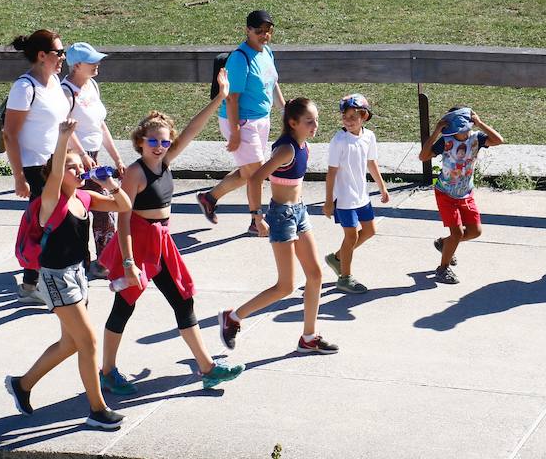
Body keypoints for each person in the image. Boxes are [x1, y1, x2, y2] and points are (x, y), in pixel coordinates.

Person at [98, 69, 244, 393]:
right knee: (124, 306)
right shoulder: (134, 174)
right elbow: (122, 218)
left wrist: (220, 98)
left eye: (165, 141)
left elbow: (192, 129)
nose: (161, 146)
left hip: (162, 242)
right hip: (137, 244)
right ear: (140, 142)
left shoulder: (165, 161)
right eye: (154, 141)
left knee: (183, 302)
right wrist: (127, 262)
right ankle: (107, 371)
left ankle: (207, 368)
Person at [4, 119, 131, 429]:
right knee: (88, 342)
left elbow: (124, 204)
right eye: (71, 168)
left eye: (79, 167)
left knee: (71, 344)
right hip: (56, 278)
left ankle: (22, 384)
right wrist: (63, 140)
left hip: (78, 276)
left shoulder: (84, 198)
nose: (77, 171)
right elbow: (58, 172)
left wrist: (108, 181)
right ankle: (97, 410)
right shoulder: (51, 201)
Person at [219, 98, 339, 354]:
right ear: (293, 123)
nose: (315, 125)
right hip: (282, 216)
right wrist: (256, 215)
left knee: (316, 275)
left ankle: (309, 337)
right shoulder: (286, 150)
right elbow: (255, 179)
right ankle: (234, 317)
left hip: (299, 212)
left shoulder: (302, 144)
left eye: (316, 119)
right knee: (286, 286)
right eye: (309, 121)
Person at [4, 29, 94, 304]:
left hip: (60, 163)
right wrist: (19, 176)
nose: (63, 58)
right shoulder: (24, 88)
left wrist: (80, 153)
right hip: (36, 168)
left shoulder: (55, 83)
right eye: (58, 53)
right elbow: (10, 134)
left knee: (62, 220)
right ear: (42, 56)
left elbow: (64, 124)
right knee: (48, 225)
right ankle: (35, 283)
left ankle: (38, 281)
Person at [196, 10, 285, 236]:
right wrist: (235, 132)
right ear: (247, 30)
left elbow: (273, 84)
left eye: (268, 31)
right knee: (257, 174)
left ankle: (209, 198)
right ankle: (257, 221)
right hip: (241, 121)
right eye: (259, 31)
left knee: (249, 173)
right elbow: (232, 97)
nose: (264, 35)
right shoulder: (239, 58)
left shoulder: (267, 52)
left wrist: (285, 111)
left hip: (260, 120)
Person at [61, 42, 127, 279]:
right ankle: (88, 259)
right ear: (76, 65)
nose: (97, 64)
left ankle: (104, 259)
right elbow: (65, 129)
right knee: (88, 208)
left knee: (103, 208)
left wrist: (117, 156)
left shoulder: (92, 86)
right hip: (75, 161)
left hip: (94, 157)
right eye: (92, 61)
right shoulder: (65, 92)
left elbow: (100, 124)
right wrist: (83, 156)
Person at [418, 106, 504, 284]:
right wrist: (436, 132)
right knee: (456, 233)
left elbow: (498, 140)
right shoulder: (446, 141)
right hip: (445, 193)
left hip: (466, 193)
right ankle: (442, 269)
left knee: (475, 231)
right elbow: (423, 156)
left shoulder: (477, 139)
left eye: (468, 126)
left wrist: (480, 123)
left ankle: (444, 244)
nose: (465, 131)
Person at [323, 94, 390, 294]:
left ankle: (337, 258)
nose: (348, 120)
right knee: (350, 237)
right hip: (343, 198)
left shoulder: (369, 137)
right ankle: (345, 278)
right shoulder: (339, 141)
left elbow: (371, 163)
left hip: (362, 195)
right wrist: (328, 202)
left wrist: (382, 186)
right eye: (345, 115)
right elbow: (331, 173)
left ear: (364, 116)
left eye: (353, 116)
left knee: (369, 231)